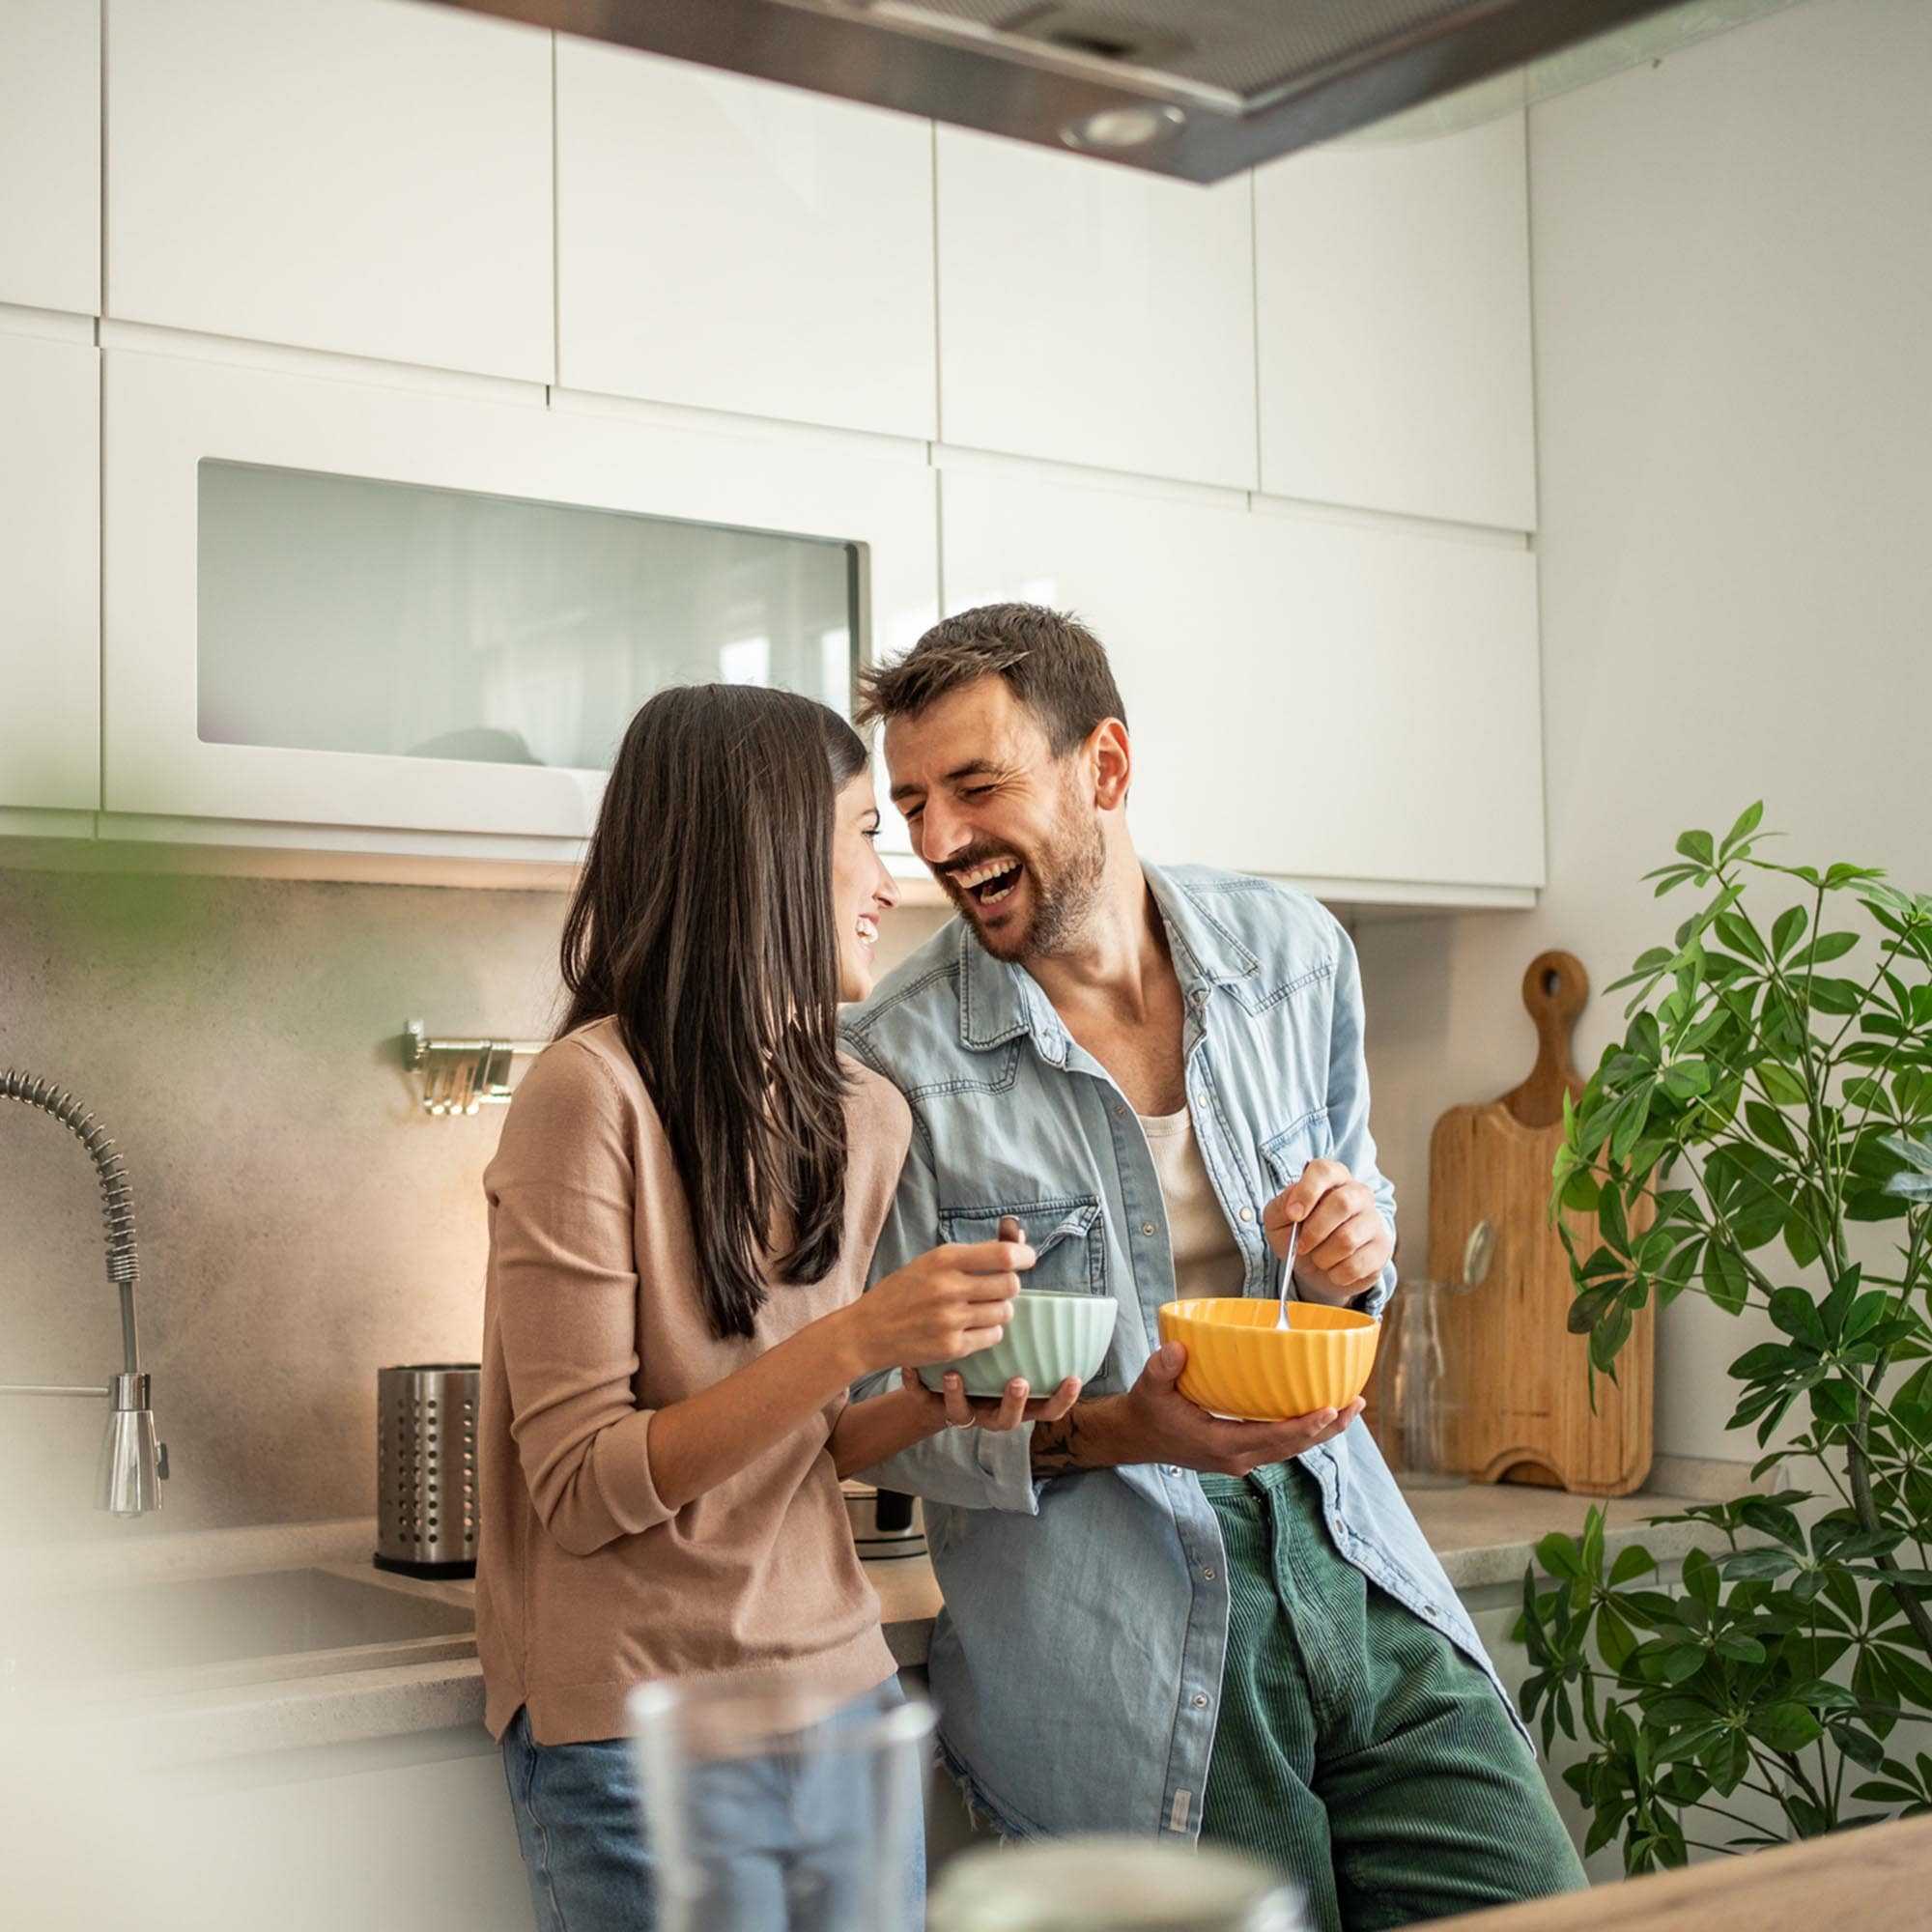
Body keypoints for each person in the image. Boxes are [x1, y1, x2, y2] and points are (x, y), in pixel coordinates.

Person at [841, 606, 1588, 1929]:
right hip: (1124, 1646)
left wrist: (1354, 1250)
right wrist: (1126, 1431)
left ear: (1105, 766)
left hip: (1356, 1560)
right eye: (911, 805)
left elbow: (1353, 1244)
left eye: (976, 787)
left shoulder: (1294, 957)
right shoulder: (897, 1063)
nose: (939, 840)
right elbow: (881, 1417)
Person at [475, 684, 1077, 1932]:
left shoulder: (863, 1115)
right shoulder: (588, 1097)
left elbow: (802, 1443)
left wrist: (928, 1396)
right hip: (641, 1735)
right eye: (863, 833)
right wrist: (862, 1335)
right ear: (763, 854)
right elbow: (583, 1486)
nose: (890, 882)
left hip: (843, 1701)